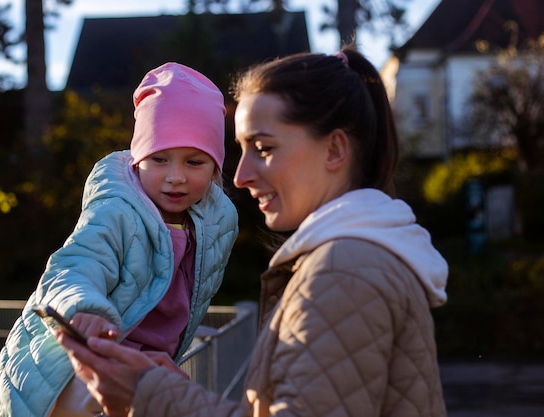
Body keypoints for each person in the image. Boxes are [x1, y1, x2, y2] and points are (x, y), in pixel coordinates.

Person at [56, 48, 449, 417]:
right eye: (241, 150)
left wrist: (148, 392)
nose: (240, 177)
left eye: (263, 148)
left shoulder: (345, 269)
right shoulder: (356, 257)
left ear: (334, 150)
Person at [0, 62, 239, 417]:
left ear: (216, 168)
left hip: (141, 363)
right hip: (71, 366)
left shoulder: (215, 220)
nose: (175, 177)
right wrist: (86, 308)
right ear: (138, 159)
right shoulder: (118, 210)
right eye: (159, 158)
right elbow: (76, 266)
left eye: (194, 162)